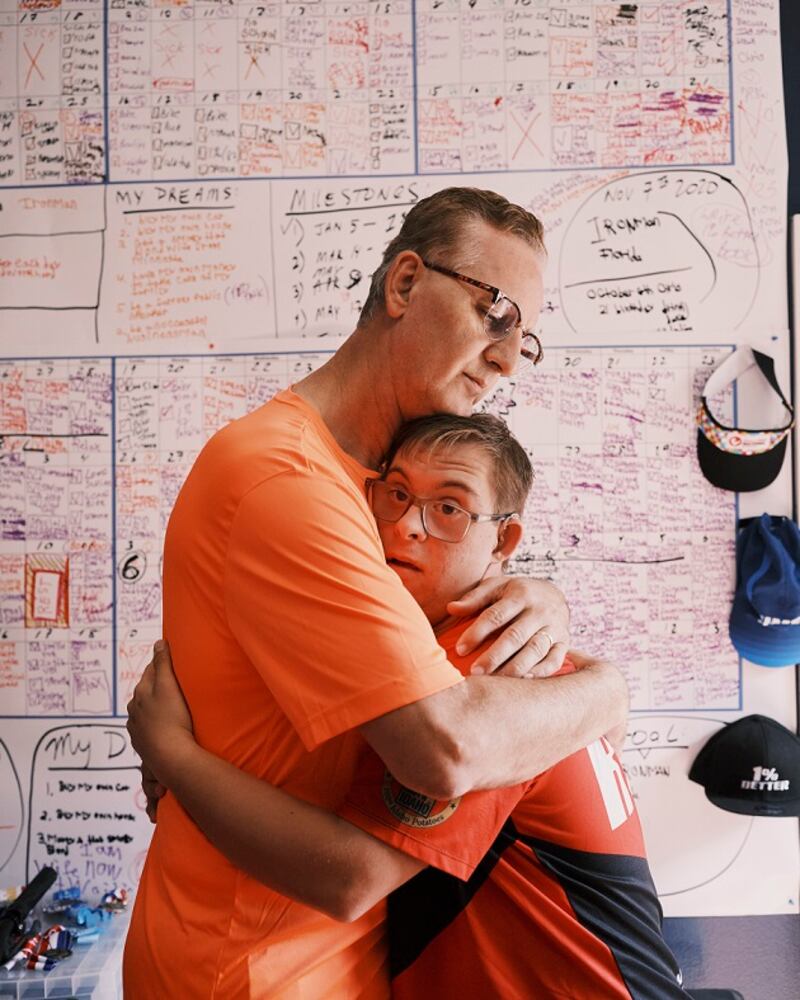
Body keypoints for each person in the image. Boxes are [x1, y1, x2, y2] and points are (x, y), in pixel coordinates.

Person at [123, 188, 628, 998]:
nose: (505, 359)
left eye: (523, 341)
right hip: (251, 970)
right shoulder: (286, 482)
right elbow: (446, 748)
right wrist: (607, 689)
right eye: (495, 313)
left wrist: (543, 603)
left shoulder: (376, 491)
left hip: (329, 956)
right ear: (403, 286)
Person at [129, 412, 687, 999]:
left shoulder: (483, 664)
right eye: (395, 494)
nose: (406, 527)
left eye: (448, 508)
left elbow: (350, 878)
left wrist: (174, 754)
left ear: (503, 540)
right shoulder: (455, 655)